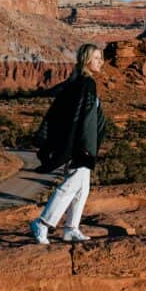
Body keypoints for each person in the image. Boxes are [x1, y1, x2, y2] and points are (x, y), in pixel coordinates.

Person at [30, 43, 106, 244]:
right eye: (97, 58)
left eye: (101, 58)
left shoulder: (77, 82)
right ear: (87, 60)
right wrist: (84, 146)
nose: (102, 62)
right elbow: (85, 119)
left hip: (80, 142)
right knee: (71, 185)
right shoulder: (86, 83)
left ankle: (71, 228)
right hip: (80, 144)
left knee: (82, 189)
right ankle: (43, 223)